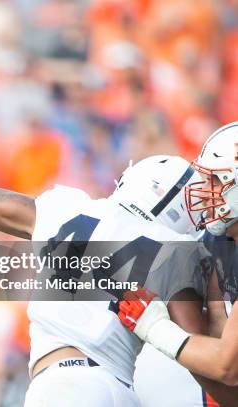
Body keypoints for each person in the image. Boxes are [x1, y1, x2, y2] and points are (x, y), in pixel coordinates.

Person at [0, 155, 201, 406]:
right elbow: (201, 355)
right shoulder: (176, 251)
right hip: (122, 388)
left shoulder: (70, 209)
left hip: (66, 387)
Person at [116, 123, 238, 389]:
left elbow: (228, 368)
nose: (203, 189)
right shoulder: (220, 240)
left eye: (216, 179)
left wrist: (155, 327)